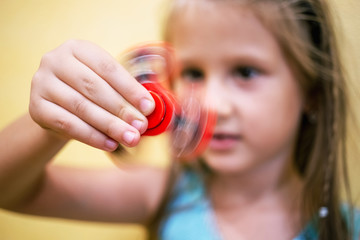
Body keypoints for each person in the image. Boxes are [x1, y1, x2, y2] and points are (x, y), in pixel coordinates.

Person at [0, 0, 359, 239]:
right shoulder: (164, 194)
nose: (213, 105)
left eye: (246, 72)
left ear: (312, 91)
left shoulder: (348, 229)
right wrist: (52, 121)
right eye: (193, 73)